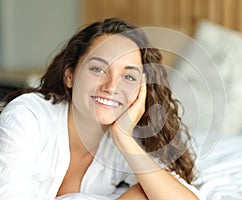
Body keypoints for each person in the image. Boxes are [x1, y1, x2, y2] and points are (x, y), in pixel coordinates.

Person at [0, 18, 202, 200]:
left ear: (141, 91)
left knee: (147, 191)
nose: (111, 86)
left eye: (129, 77)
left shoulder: (125, 141)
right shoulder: (27, 118)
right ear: (69, 75)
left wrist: (124, 138)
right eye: (98, 69)